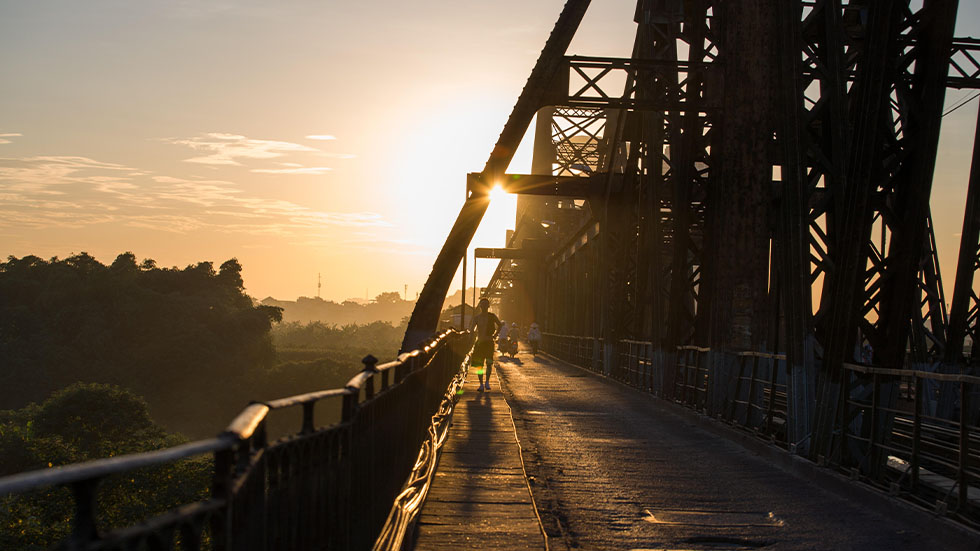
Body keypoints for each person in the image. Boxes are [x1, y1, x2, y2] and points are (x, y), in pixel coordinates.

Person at [469, 298, 501, 392]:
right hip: (480, 343)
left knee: (489, 363)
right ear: (480, 306)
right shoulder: (477, 318)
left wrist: (495, 335)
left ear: (488, 306)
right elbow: (471, 329)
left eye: (485, 305)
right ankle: (481, 384)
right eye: (482, 305)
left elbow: (500, 324)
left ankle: (487, 381)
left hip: (489, 342)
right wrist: (471, 339)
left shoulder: (492, 316)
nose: (483, 307)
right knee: (479, 365)